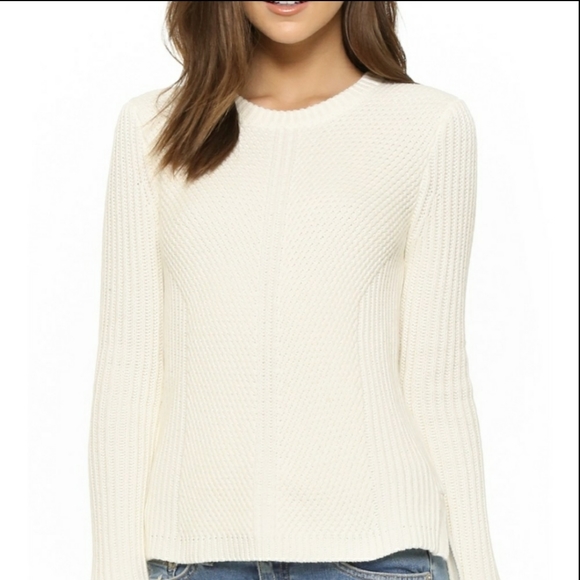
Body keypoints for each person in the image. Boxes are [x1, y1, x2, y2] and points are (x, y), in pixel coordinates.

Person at [87, 2, 503, 580]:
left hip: (379, 554)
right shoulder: (153, 127)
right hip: (193, 557)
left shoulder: (429, 125)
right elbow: (128, 371)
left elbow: (437, 379)